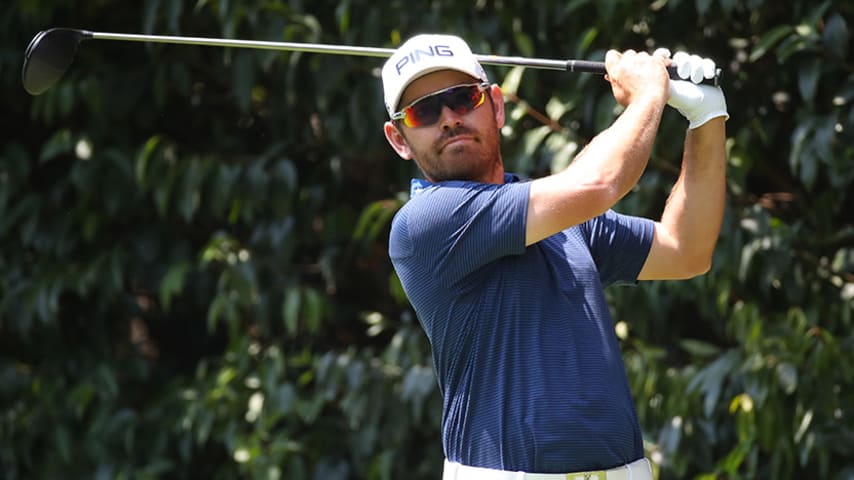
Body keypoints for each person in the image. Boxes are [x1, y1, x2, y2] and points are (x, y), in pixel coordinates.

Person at [381, 33, 728, 480]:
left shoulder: (560, 219)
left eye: (463, 98)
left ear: (496, 106)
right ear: (399, 139)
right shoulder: (425, 222)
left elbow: (686, 249)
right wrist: (649, 93)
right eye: (424, 110)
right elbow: (597, 184)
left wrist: (706, 118)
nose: (449, 118)